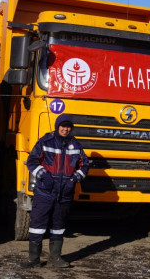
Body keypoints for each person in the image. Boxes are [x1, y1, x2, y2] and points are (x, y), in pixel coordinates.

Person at [20, 114, 89, 268]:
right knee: (37, 225)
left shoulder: (76, 145)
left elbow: (84, 166)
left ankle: (55, 259)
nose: (65, 129)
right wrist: (44, 175)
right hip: (45, 192)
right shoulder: (46, 142)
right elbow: (31, 161)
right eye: (63, 126)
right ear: (58, 126)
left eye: (68, 127)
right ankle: (33, 260)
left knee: (58, 227)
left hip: (65, 193)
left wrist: (74, 180)